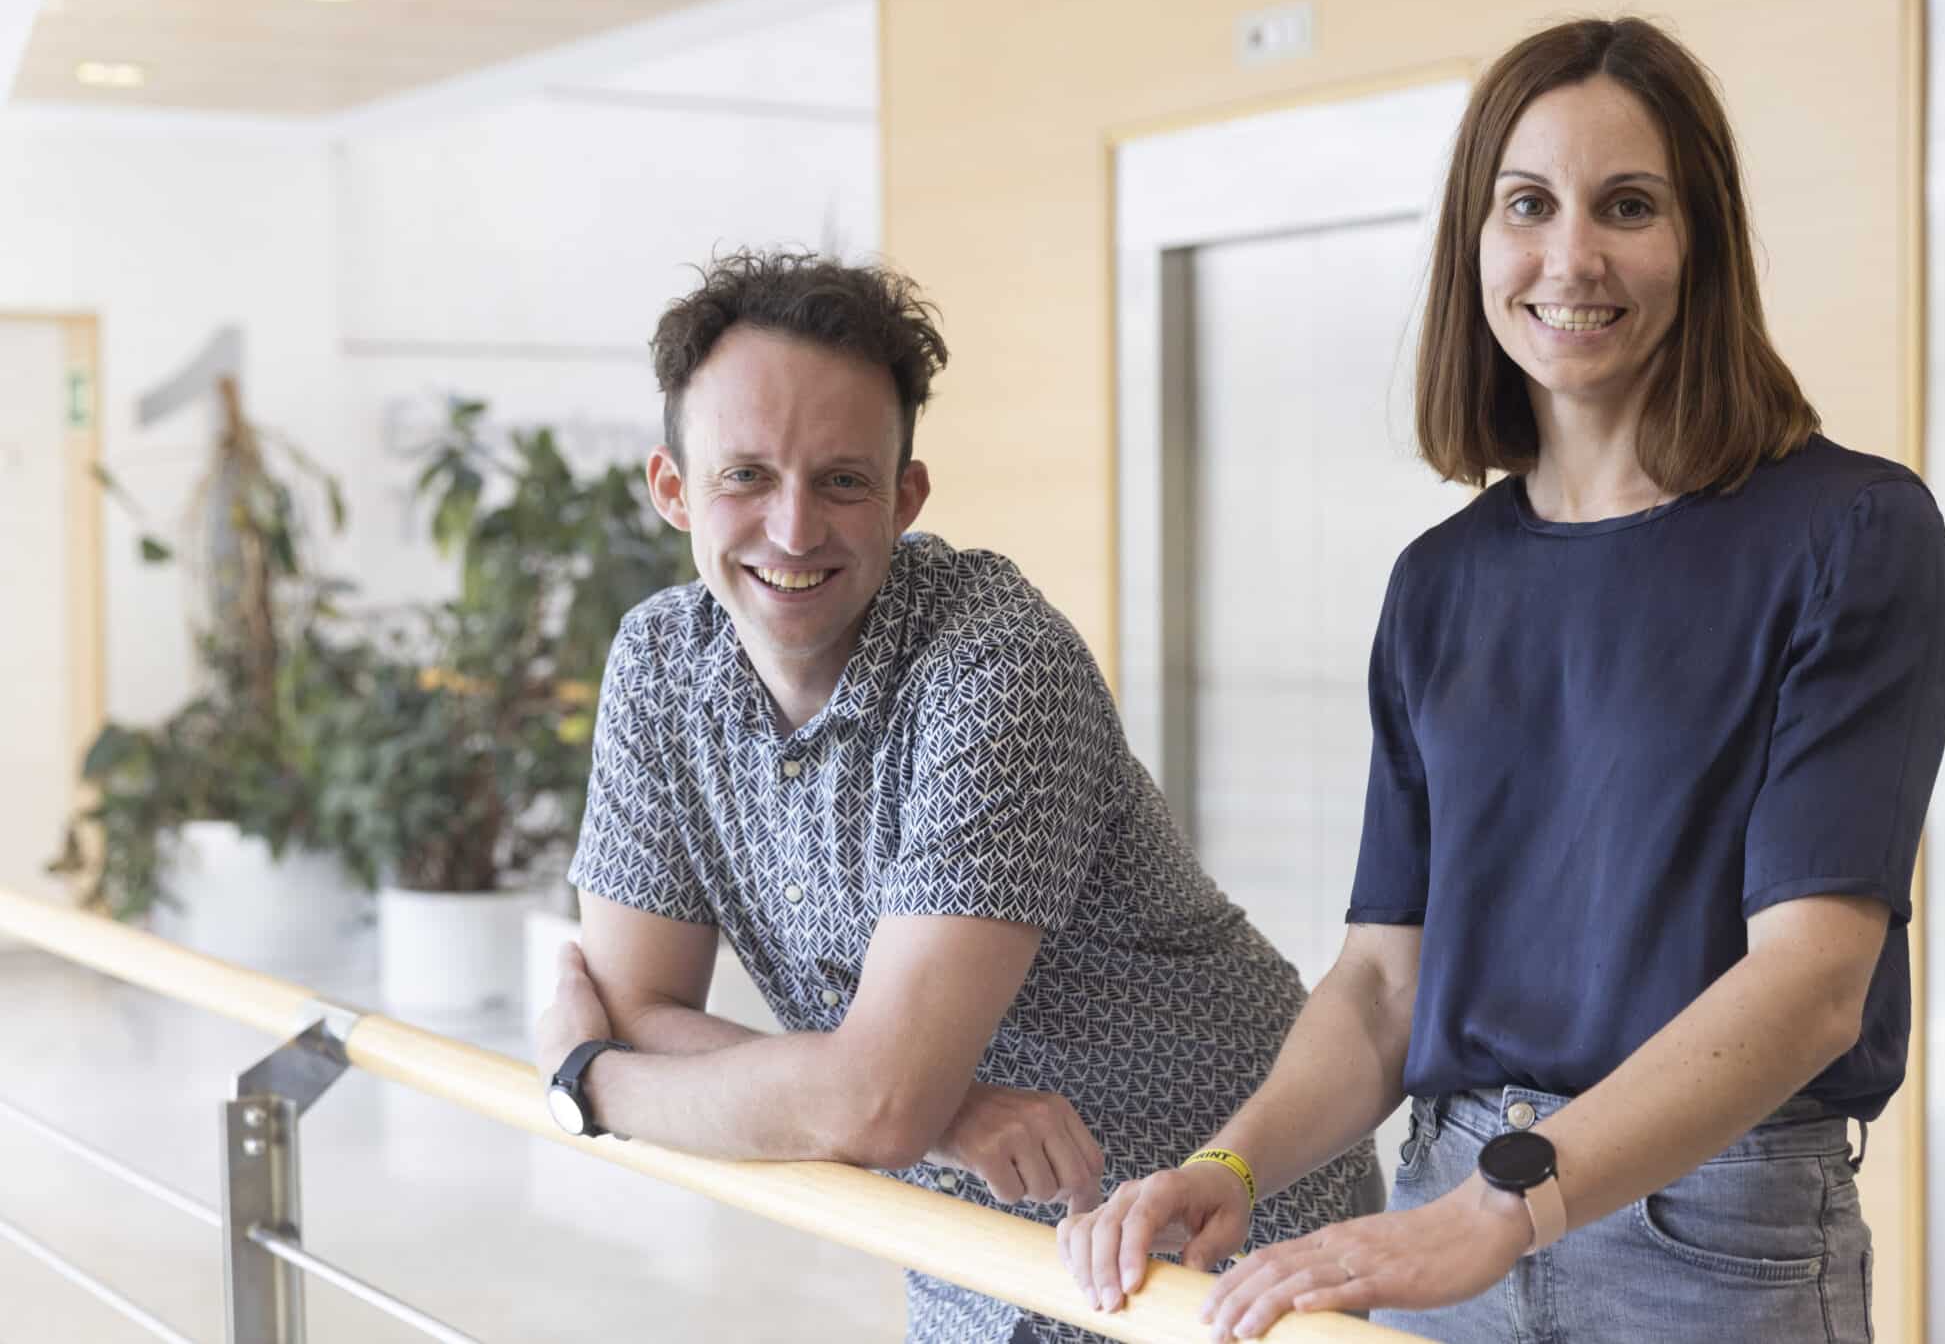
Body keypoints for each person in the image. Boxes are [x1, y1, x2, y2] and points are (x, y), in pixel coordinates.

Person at [1060, 17, 1945, 1344]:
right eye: (1527, 204)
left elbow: (1813, 983)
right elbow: (1383, 981)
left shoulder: (1851, 536)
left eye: (1629, 206)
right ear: (1473, 246)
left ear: (1703, 243)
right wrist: (1230, 1165)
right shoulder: (1440, 581)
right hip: (1449, 1207)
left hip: (1707, 1243)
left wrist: (1500, 1208)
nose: (1572, 256)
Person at [536, 250, 1380, 1344]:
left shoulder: (994, 667)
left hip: (1219, 1228)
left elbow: (861, 1101)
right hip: (977, 1250)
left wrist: (584, 1081)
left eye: (841, 479)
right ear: (671, 488)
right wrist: (931, 1116)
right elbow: (648, 1010)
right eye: (745, 474)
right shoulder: (659, 660)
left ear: (904, 497)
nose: (793, 530)